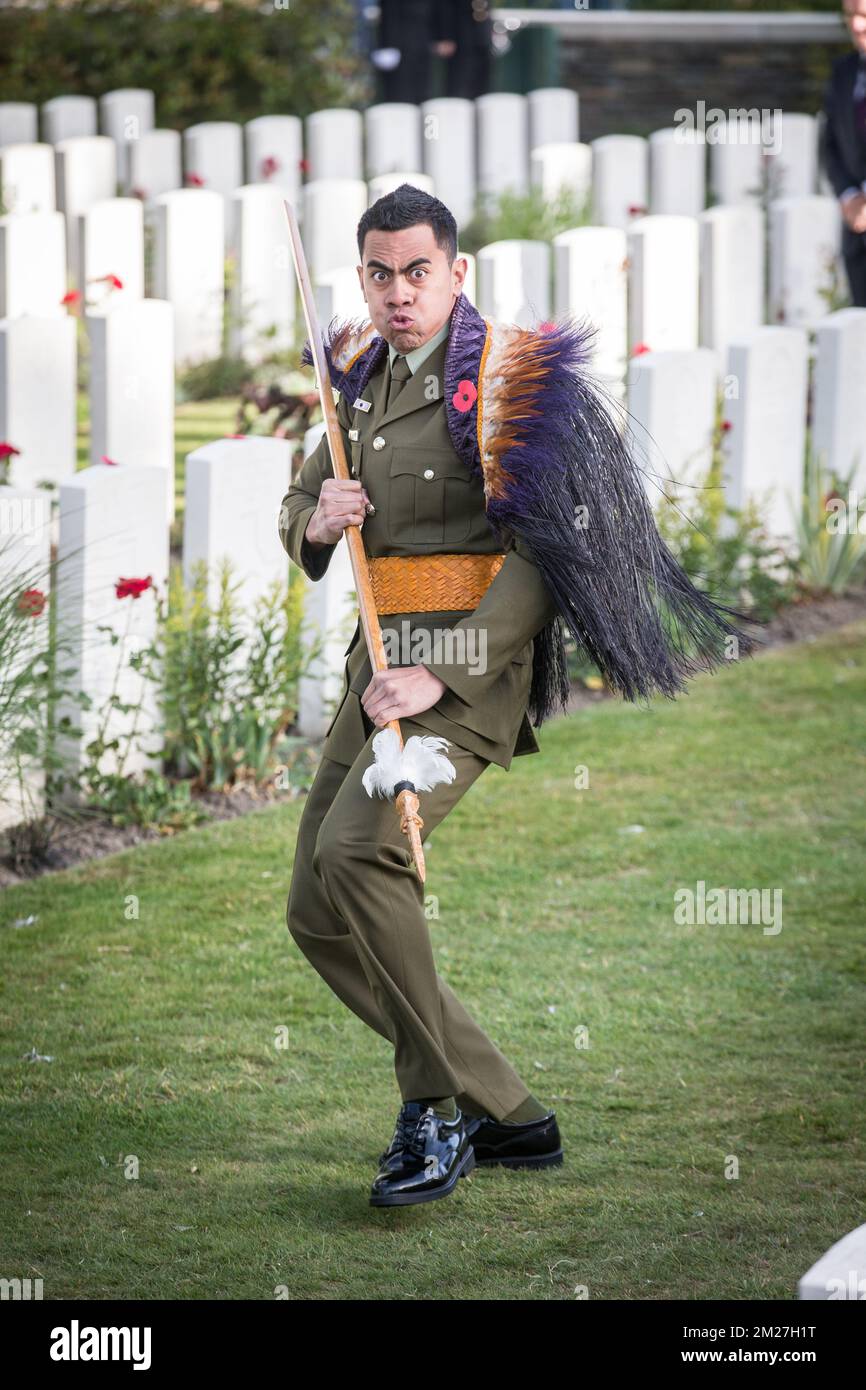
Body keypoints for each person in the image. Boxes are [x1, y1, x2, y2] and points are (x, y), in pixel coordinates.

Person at [278, 185, 758, 1209]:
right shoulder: (353, 378)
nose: (398, 292)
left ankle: (434, 1110)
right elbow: (301, 500)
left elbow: (550, 559)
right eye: (379, 272)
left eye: (417, 270)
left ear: (456, 272)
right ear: (360, 279)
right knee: (314, 910)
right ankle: (505, 1110)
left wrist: (440, 667)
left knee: (357, 852)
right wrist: (318, 519)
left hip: (461, 678)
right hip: (376, 674)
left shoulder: (507, 381)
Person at [820, 0, 866, 306]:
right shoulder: (843, 71)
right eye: (850, 15)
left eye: (864, 15)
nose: (856, 25)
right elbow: (828, 143)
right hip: (857, 234)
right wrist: (849, 195)